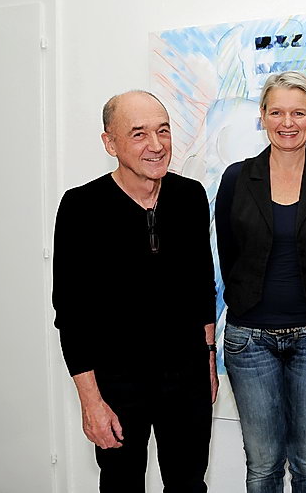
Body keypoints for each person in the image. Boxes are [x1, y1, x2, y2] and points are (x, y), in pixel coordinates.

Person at [53, 90, 218, 492]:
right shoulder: (80, 206)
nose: (156, 145)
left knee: (189, 484)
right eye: (139, 134)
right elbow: (71, 314)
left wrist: (209, 361)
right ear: (110, 143)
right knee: (121, 484)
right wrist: (91, 402)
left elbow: (202, 288)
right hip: (117, 383)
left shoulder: (191, 196)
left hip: (187, 376)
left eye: (163, 130)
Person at [215, 71, 306, 493]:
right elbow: (229, 254)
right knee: (263, 467)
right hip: (249, 341)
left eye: (298, 112)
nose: (287, 123)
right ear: (262, 116)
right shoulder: (236, 179)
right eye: (276, 112)